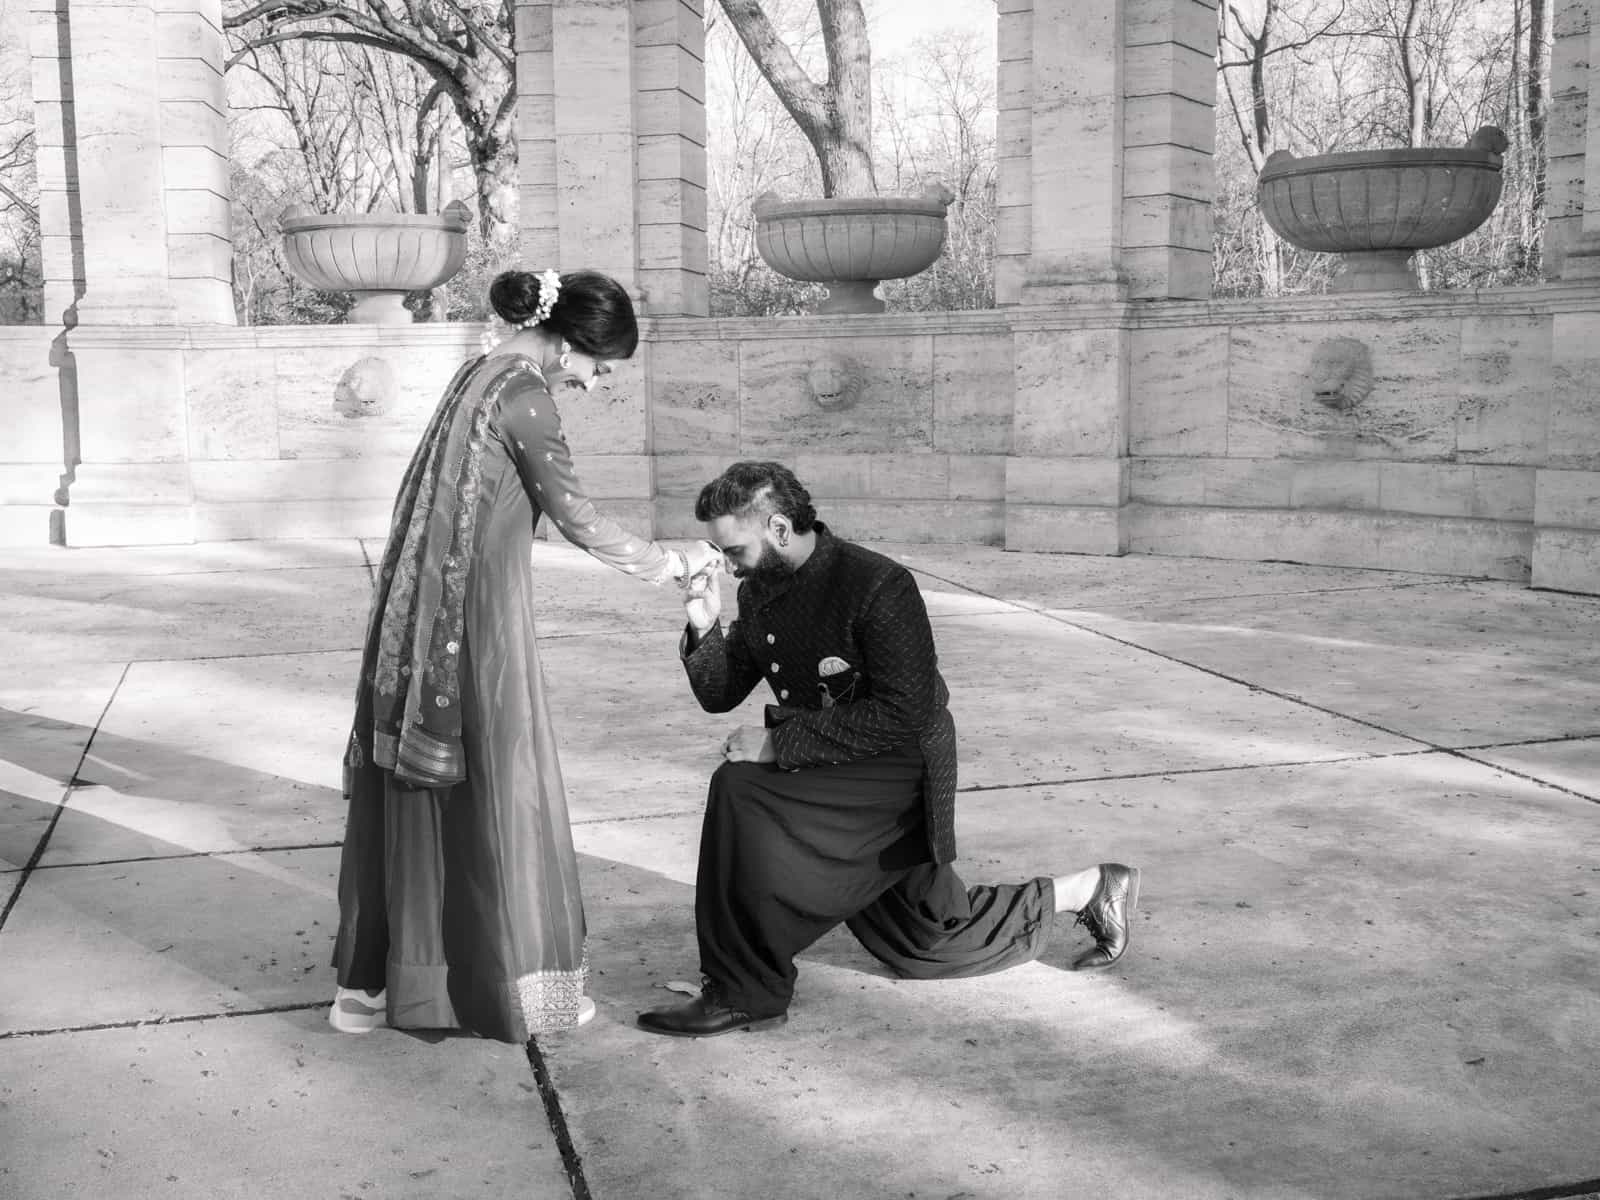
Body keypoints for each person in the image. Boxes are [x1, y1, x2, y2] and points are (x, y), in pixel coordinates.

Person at [330, 268, 722, 1042]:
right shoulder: (524, 393)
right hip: (478, 617)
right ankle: (510, 988)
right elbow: (573, 514)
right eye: (600, 364)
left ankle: (371, 988)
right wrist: (673, 563)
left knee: (413, 784)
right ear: (570, 338)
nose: (597, 380)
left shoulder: (475, 375)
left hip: (418, 618)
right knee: (503, 779)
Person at [637, 461, 1140, 1038]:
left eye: (735, 551)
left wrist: (779, 742)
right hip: (835, 762)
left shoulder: (877, 584)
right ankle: (1093, 888)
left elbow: (908, 710)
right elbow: (720, 694)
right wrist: (703, 622)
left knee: (742, 791)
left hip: (899, 771)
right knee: (926, 941)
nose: (726, 565)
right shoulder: (760, 592)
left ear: (778, 530)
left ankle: (742, 990)